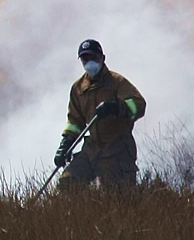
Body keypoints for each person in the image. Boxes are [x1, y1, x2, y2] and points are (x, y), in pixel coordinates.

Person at [54, 39, 146, 192]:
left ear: (102, 58)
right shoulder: (78, 88)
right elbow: (75, 122)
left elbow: (139, 105)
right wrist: (65, 145)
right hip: (92, 149)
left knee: (116, 196)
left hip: (117, 149)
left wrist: (116, 108)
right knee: (68, 183)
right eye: (85, 59)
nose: (89, 62)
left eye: (93, 57)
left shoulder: (117, 82)